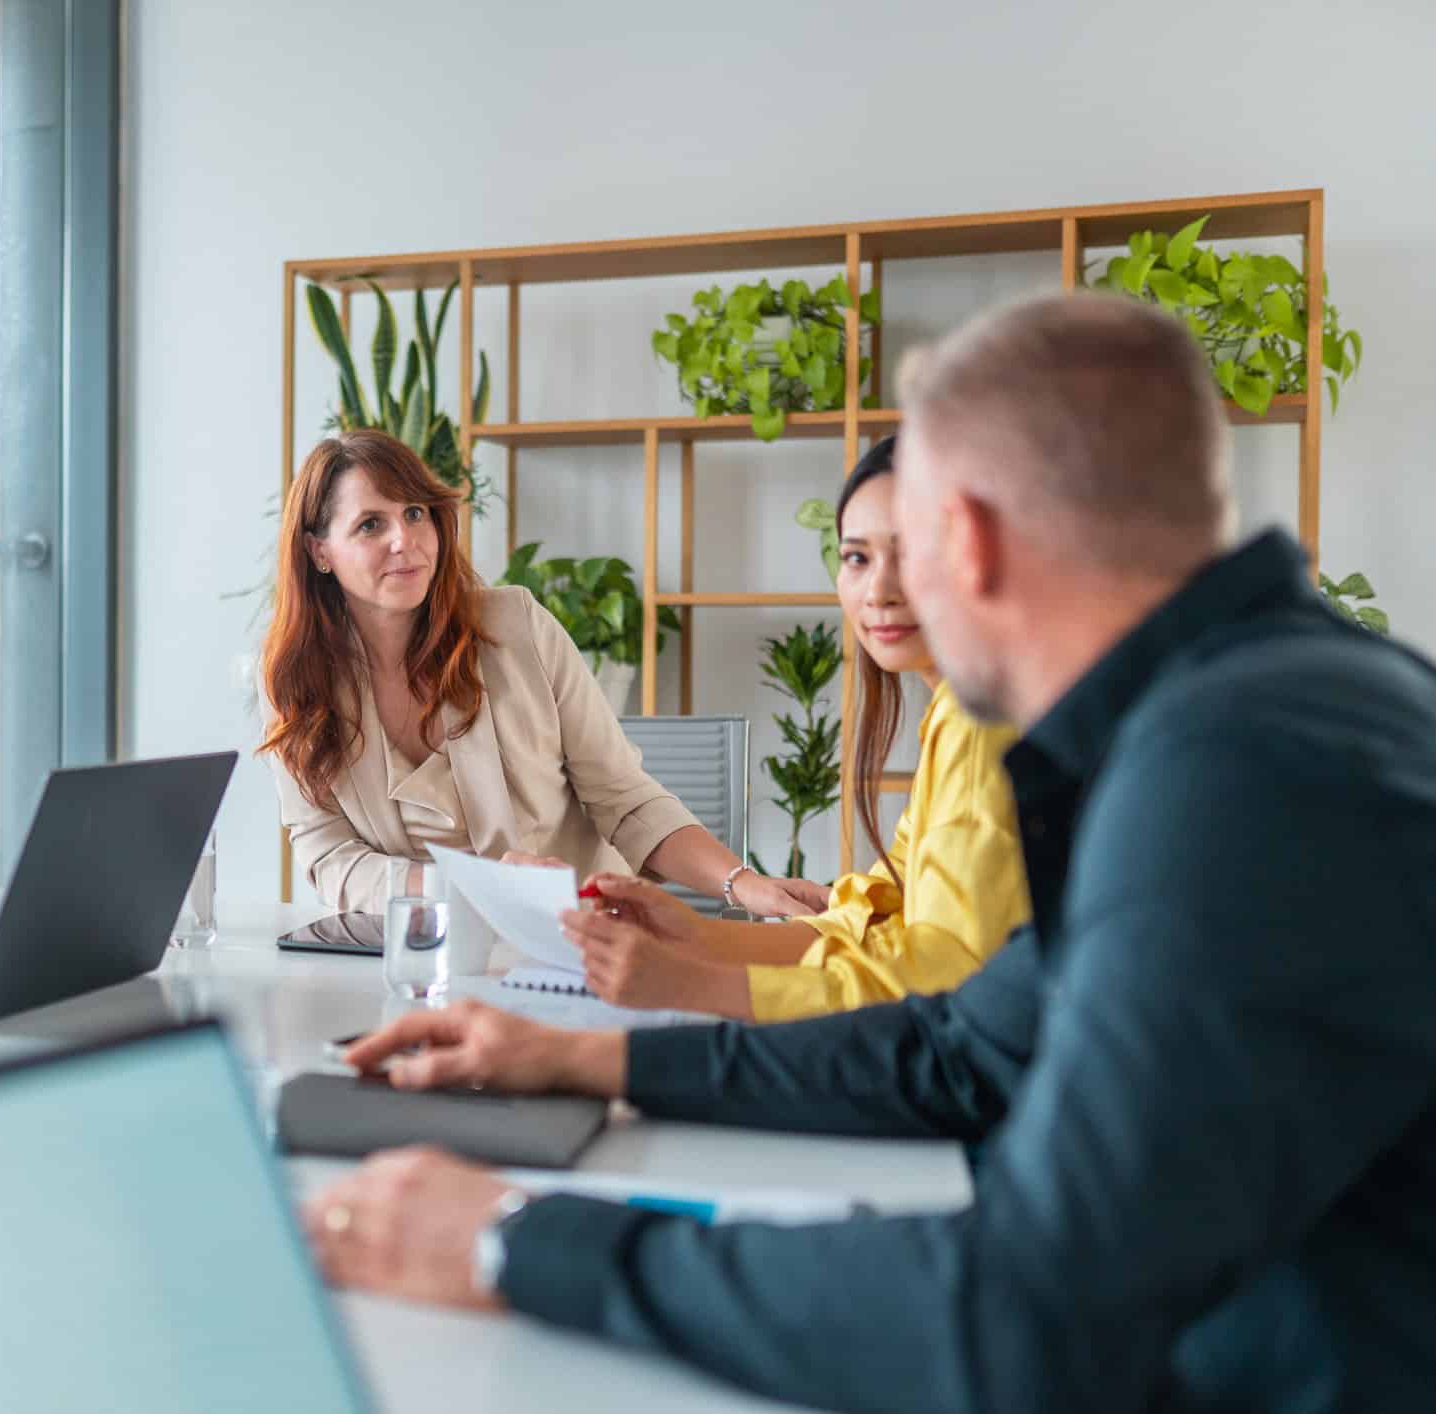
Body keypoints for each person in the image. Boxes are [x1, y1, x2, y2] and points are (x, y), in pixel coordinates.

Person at [301, 293, 1436, 1411]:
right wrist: (589, 1063)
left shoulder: (1236, 779)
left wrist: (512, 1240)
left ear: (969, 542)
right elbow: (965, 1045)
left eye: (905, 549)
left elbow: (1018, 1315)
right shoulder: (1253, 711)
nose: (881, 594)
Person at [260, 428, 825, 919]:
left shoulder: (515, 626)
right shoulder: (294, 679)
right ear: (319, 551)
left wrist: (743, 884)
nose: (404, 540)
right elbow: (328, 855)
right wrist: (469, 888)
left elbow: (625, 800)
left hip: (580, 937)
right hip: (419, 951)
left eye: (415, 513)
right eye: (369, 525)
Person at [572, 435, 1031, 1021]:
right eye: (857, 558)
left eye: (914, 554)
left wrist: (692, 981)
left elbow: (941, 974)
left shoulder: (984, 721)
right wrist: (694, 937)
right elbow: (895, 921)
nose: (880, 592)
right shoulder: (956, 712)